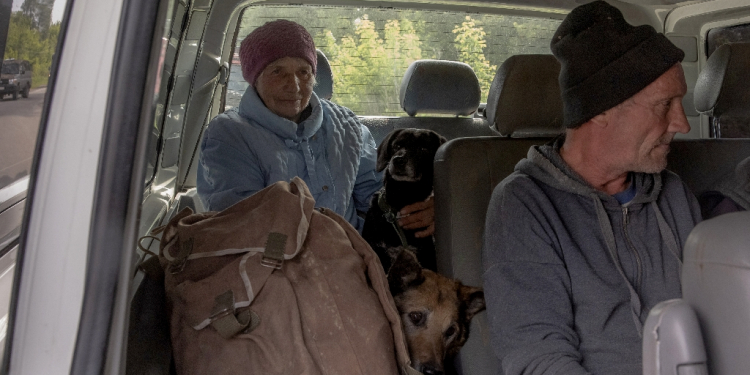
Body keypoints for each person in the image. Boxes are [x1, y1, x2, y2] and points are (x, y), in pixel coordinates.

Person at [482, 2, 702, 374]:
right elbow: (538, 357)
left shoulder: (673, 193)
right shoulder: (523, 205)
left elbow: (723, 313)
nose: (682, 123)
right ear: (600, 110)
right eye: (665, 105)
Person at [197, 19, 434, 234]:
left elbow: (378, 197)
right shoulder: (229, 135)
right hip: (274, 265)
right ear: (254, 79)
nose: (295, 86)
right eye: (277, 72)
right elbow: (239, 223)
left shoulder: (347, 126)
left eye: (304, 72)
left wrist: (426, 209)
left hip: (352, 261)